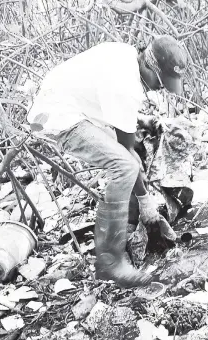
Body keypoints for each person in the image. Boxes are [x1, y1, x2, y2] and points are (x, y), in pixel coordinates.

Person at [27, 35, 189, 288]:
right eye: (162, 82)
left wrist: (138, 122)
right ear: (151, 67)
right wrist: (147, 204)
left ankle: (128, 230)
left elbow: (107, 102)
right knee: (125, 166)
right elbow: (127, 156)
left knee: (135, 153)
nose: (161, 88)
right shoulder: (125, 85)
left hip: (72, 104)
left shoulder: (126, 54)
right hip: (59, 115)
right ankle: (109, 262)